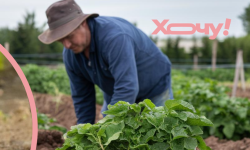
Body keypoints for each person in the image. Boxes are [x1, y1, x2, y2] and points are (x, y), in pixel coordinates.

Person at [38, 0, 173, 124]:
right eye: (61, 40)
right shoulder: (71, 54)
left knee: (159, 136)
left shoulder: (114, 38)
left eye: (69, 36)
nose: (66, 45)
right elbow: (82, 97)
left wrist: (108, 126)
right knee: (109, 141)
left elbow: (127, 86)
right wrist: (84, 134)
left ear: (82, 23)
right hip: (116, 90)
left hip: (153, 88)